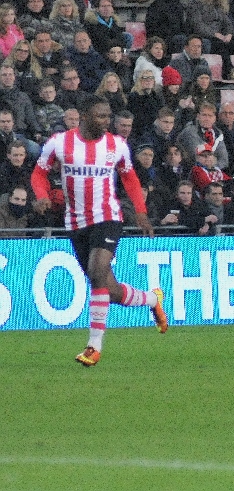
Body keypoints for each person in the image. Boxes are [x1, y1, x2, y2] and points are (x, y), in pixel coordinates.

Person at [30, 96, 168, 367]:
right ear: (84, 114)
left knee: (97, 271)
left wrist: (140, 212)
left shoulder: (116, 145)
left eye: (108, 116)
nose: (106, 122)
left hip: (108, 216)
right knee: (110, 289)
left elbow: (129, 177)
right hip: (76, 222)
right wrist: (41, 193)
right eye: (100, 116)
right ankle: (152, 299)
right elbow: (38, 174)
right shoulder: (59, 143)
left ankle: (94, 346)